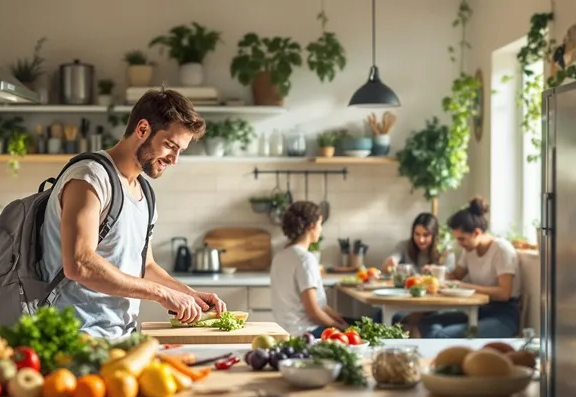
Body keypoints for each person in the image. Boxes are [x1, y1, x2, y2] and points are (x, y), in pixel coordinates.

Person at [39, 87, 226, 339]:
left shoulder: (144, 193)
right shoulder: (90, 178)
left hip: (119, 337)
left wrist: (189, 295)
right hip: (72, 338)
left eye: (180, 150)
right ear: (142, 129)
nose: (174, 160)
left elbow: (145, 265)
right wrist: (162, 294)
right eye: (170, 146)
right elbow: (79, 264)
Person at [417, 197, 521, 338]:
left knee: (442, 335)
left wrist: (465, 286)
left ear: (477, 233)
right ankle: (442, 351)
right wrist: (434, 272)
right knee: (426, 322)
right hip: (478, 309)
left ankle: (441, 351)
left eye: (462, 238)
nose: (460, 244)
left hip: (503, 316)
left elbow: (504, 293)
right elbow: (456, 276)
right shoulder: (470, 250)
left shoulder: (502, 250)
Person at [270, 201, 356, 337]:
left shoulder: (280, 256)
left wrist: (336, 317)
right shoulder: (305, 259)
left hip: (287, 330)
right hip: (307, 332)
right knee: (362, 329)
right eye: (320, 224)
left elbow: (315, 303)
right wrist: (339, 327)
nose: (320, 229)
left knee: (355, 323)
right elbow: (313, 312)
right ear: (311, 226)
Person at [381, 212, 456, 274]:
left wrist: (435, 269)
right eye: (417, 234)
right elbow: (391, 261)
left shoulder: (445, 249)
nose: (421, 240)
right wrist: (389, 264)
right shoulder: (403, 246)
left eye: (426, 235)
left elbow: (452, 272)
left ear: (434, 235)